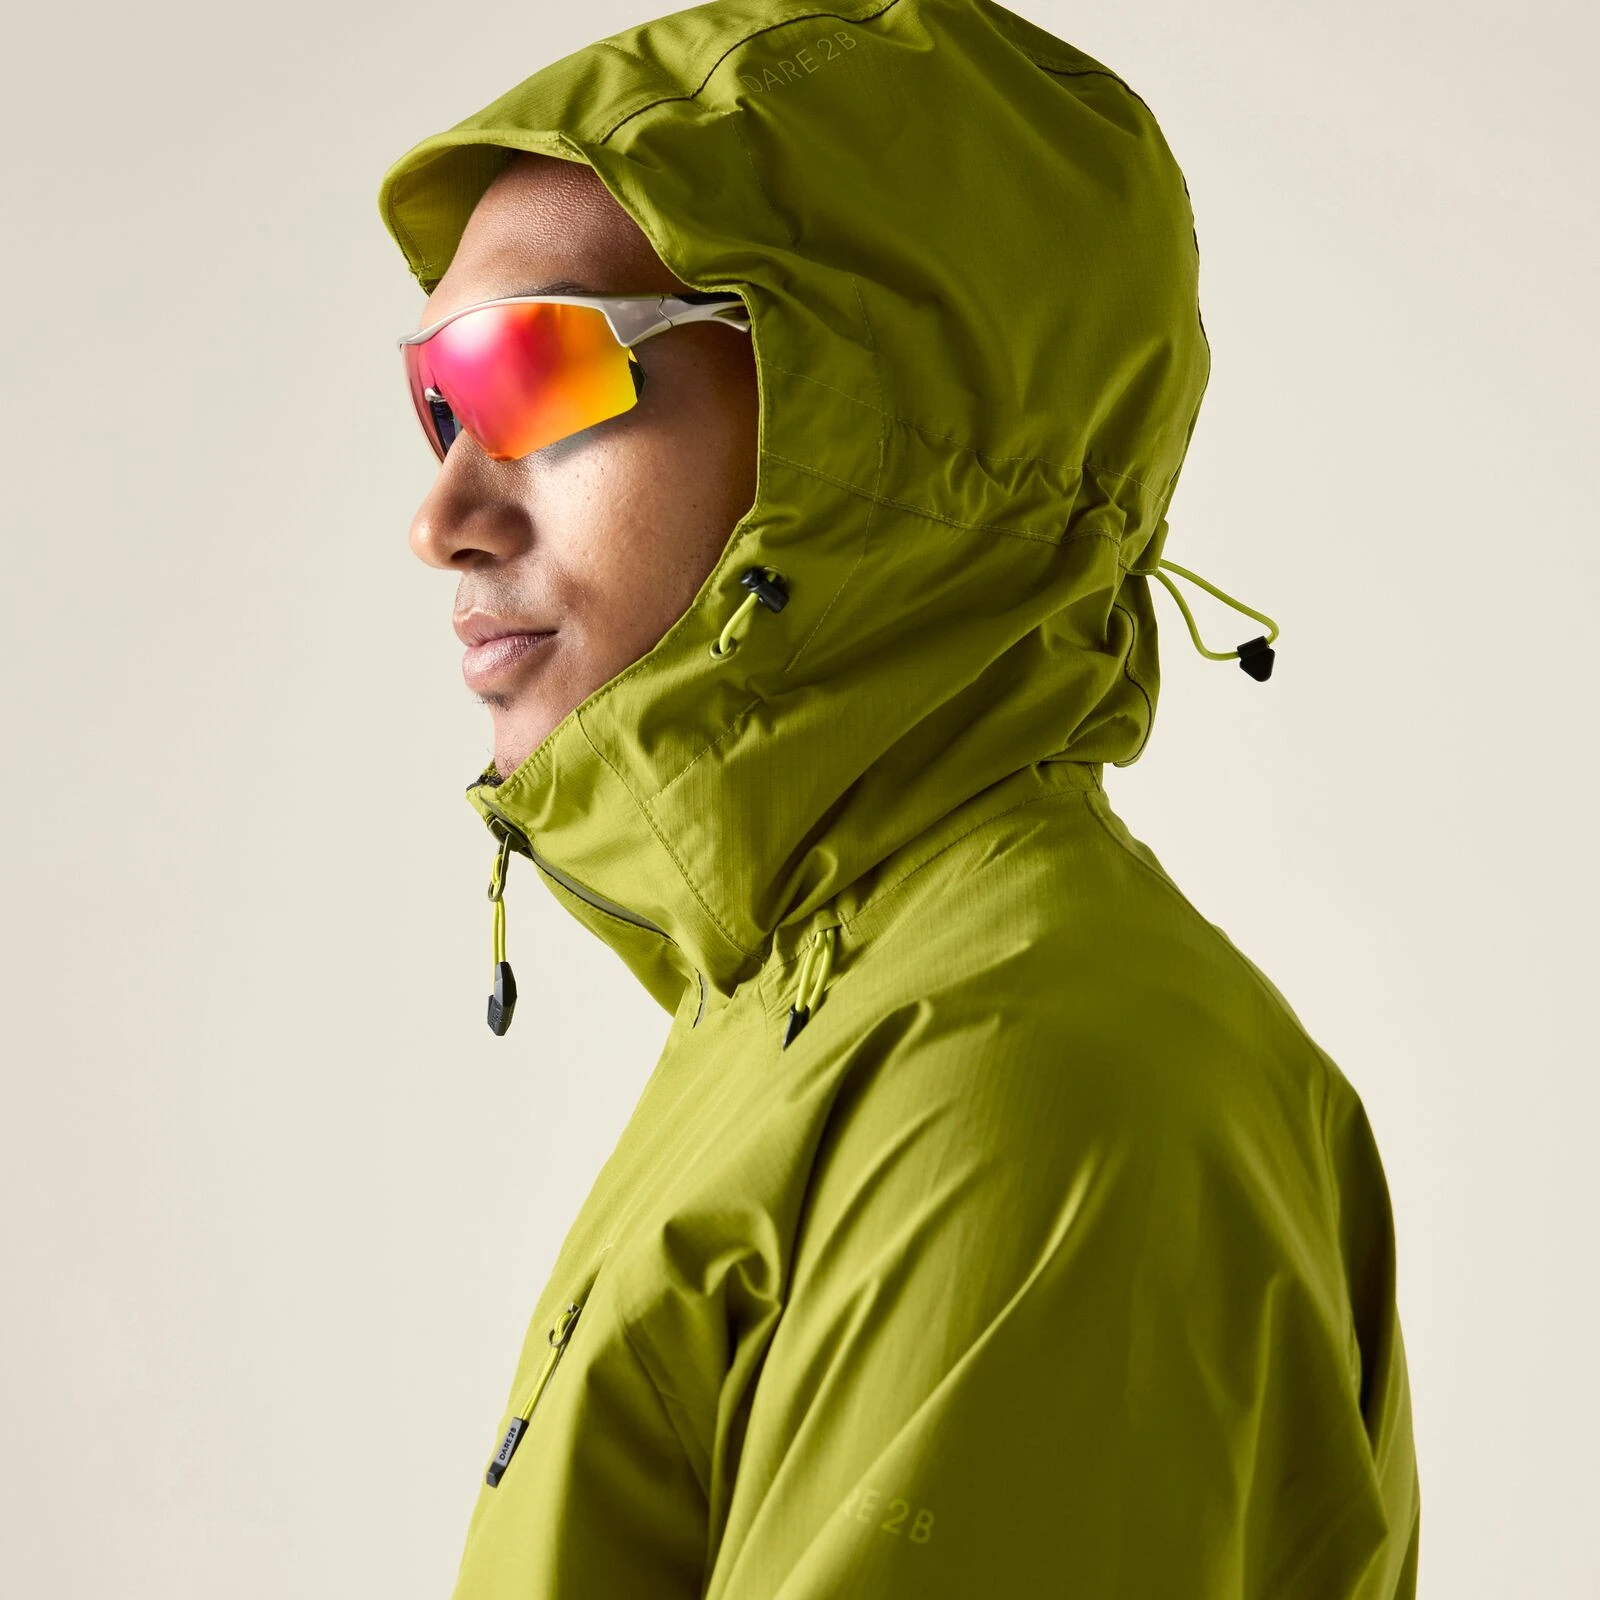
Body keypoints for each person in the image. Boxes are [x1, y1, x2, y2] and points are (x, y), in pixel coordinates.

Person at [376, 0, 1420, 1595]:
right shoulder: (808, 1027)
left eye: (535, 370)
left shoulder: (1025, 1090)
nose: (440, 512)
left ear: (868, 416)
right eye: (439, 403)